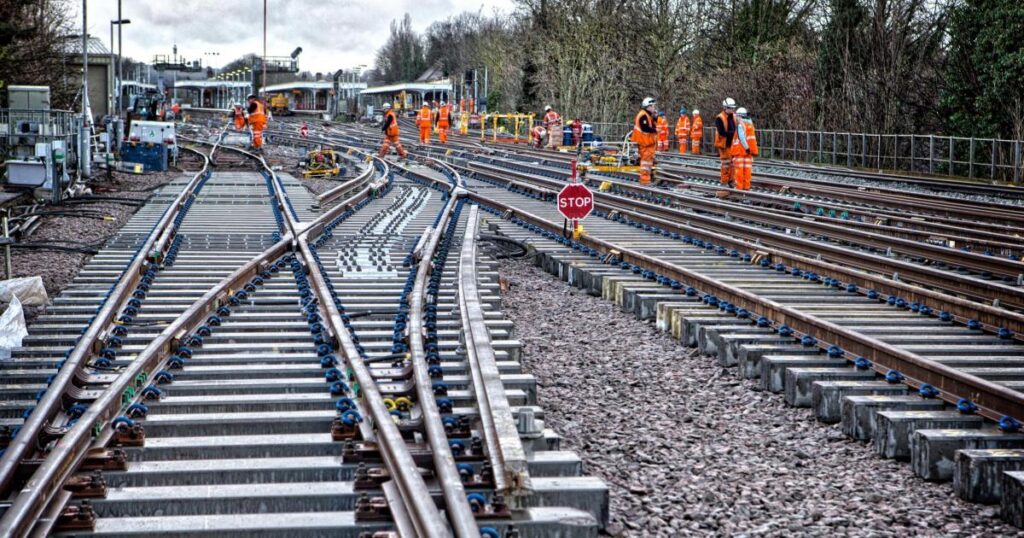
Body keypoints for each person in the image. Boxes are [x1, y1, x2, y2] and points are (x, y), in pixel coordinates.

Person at [631, 97, 659, 185]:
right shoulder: (643, 115)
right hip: (644, 142)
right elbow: (645, 128)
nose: (654, 108)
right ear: (648, 106)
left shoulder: (647, 115)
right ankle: (645, 181)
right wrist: (655, 131)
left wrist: (655, 117)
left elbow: (652, 125)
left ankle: (647, 179)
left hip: (648, 143)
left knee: (648, 162)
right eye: (653, 106)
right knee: (645, 163)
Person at [732, 107, 758, 190]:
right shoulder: (750, 125)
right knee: (747, 170)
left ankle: (739, 188)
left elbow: (742, 139)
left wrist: (746, 148)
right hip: (749, 152)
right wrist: (750, 150)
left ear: (739, 116)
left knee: (739, 171)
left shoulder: (741, 125)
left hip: (741, 151)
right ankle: (746, 187)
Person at [714, 98, 738, 188]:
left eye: (733, 108)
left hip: (732, 144)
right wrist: (733, 133)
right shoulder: (720, 118)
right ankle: (724, 181)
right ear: (725, 108)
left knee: (732, 164)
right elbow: (722, 132)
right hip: (724, 145)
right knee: (726, 164)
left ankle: (731, 181)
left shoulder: (734, 116)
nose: (732, 110)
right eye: (731, 108)